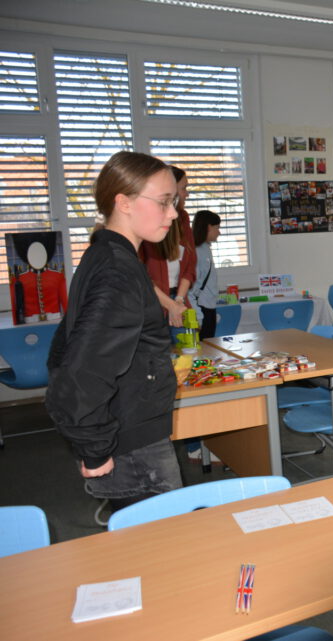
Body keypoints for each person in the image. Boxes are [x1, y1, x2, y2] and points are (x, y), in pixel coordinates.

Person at [46, 151, 183, 512]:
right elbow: (81, 369)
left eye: (174, 202)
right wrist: (94, 446)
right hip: (131, 440)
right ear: (124, 202)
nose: (173, 213)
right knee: (163, 541)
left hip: (128, 426)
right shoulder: (116, 271)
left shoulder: (106, 254)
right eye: (164, 202)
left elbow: (64, 347)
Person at [140, 165, 196, 328]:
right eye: (184, 188)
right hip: (154, 305)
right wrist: (170, 305)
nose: (187, 194)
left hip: (179, 300)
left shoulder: (183, 218)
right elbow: (141, 276)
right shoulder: (147, 224)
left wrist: (178, 300)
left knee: (190, 342)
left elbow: (190, 265)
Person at [188, 210, 221, 340]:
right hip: (201, 310)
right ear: (208, 227)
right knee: (204, 348)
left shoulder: (205, 248)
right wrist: (199, 317)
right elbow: (190, 290)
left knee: (209, 347)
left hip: (208, 308)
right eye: (217, 228)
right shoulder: (197, 252)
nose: (219, 232)